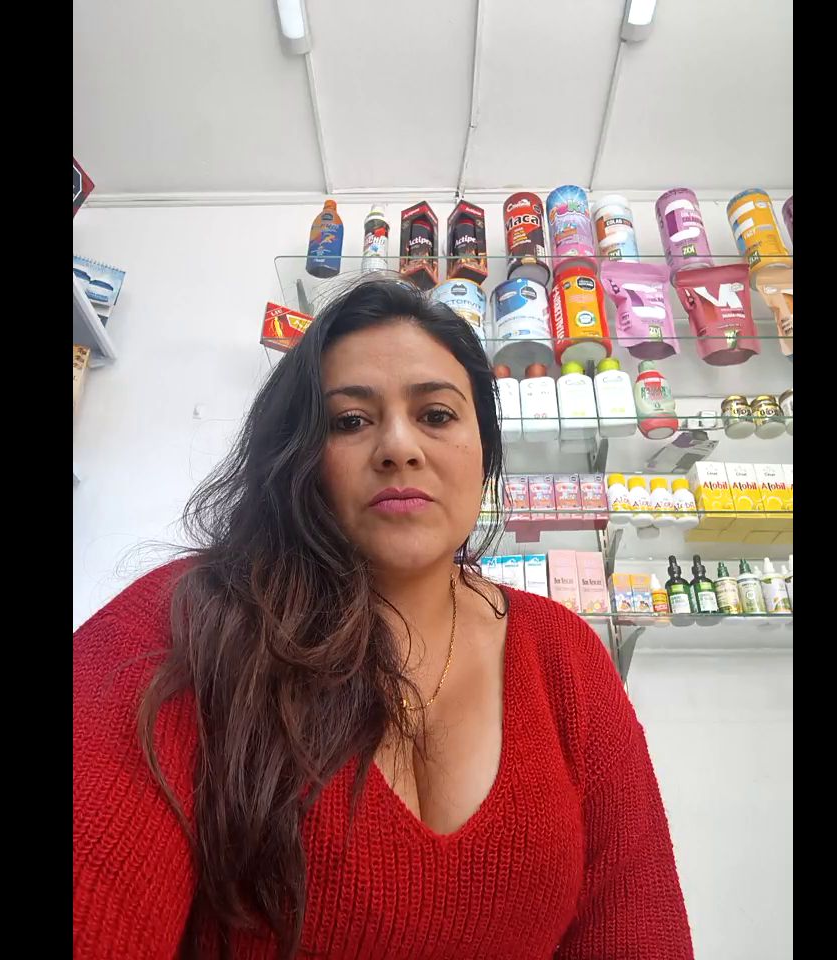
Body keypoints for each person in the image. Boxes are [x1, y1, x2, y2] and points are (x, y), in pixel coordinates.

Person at [73, 277, 693, 959]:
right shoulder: (185, 620)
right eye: (349, 421)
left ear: (484, 450)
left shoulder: (564, 653)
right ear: (299, 456)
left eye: (436, 415)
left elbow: (638, 922)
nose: (399, 446)